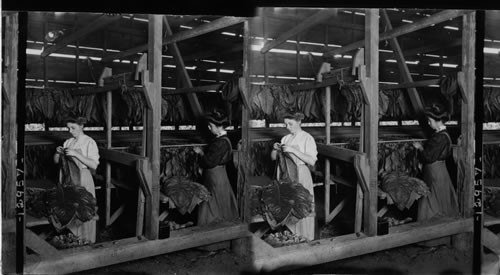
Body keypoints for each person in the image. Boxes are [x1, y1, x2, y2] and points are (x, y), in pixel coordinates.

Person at [271, 112, 317, 240]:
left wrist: (293, 150)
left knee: (302, 206)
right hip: (287, 175)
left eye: (290, 124)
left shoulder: (307, 138)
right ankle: (291, 236)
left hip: (301, 173)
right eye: (285, 124)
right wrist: (275, 149)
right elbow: (273, 158)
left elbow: (312, 161)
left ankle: (306, 237)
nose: (287, 127)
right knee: (289, 205)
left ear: (299, 122)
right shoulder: (285, 138)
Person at [53, 116, 100, 243]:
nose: (70, 131)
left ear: (82, 126)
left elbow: (94, 165)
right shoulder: (68, 142)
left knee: (83, 210)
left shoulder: (89, 142)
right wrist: (57, 153)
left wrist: (77, 154)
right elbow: (56, 162)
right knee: (70, 209)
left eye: (73, 128)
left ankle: (86, 241)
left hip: (83, 178)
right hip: (69, 178)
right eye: (68, 128)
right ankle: (72, 240)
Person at [412, 104, 459, 222]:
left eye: (430, 121)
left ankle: (430, 230)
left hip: (435, 173)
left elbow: (428, 157)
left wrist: (420, 147)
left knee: (432, 199)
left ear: (438, 122)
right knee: (439, 198)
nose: (428, 123)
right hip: (439, 170)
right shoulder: (442, 135)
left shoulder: (440, 137)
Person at [193, 111, 239, 225]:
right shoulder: (224, 139)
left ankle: (210, 227)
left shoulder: (220, 143)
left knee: (211, 200)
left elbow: (209, 162)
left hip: (215, 176)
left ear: (219, 127)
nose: (209, 128)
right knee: (219, 200)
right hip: (220, 174)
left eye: (211, 126)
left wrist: (200, 152)